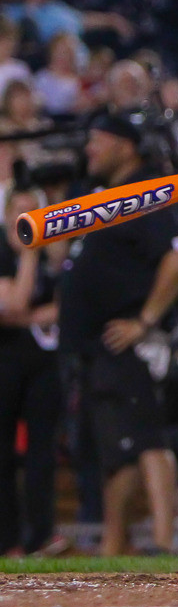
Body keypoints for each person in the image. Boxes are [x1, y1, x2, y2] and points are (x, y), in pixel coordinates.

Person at [57, 113, 178, 555]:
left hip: (128, 340)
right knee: (118, 450)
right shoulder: (99, 196)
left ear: (126, 146)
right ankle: (114, 545)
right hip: (100, 347)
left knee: (149, 440)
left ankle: (162, 540)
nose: (90, 149)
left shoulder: (143, 193)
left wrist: (146, 321)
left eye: (99, 140)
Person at [0, 188, 62, 556]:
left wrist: (25, 317)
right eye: (20, 211)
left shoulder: (53, 256)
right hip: (5, 357)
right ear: (7, 214)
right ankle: (7, 541)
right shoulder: (7, 253)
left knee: (43, 451)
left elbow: (68, 303)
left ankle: (42, 535)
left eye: (34, 211)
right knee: (2, 453)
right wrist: (28, 255)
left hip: (41, 360)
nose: (27, 217)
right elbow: (14, 302)